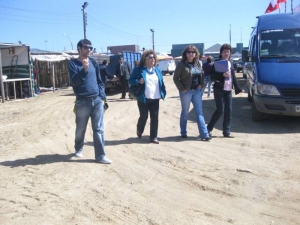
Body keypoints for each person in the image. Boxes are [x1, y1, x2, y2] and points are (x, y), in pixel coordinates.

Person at [68, 39, 112, 164]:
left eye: (90, 47)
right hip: (82, 101)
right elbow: (75, 82)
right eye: (86, 47)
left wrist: (102, 96)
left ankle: (100, 156)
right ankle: (79, 148)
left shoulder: (93, 62)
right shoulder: (73, 64)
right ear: (79, 48)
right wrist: (84, 69)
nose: (89, 50)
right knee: (81, 128)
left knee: (98, 129)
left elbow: (99, 80)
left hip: (97, 100)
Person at [173, 45, 211, 141]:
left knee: (199, 112)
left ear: (196, 54)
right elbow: (176, 78)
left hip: (197, 91)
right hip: (186, 92)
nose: (191, 54)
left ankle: (204, 134)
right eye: (189, 52)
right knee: (185, 112)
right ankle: (183, 132)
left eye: (193, 52)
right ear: (185, 54)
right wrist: (182, 88)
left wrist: (201, 84)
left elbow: (202, 74)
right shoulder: (181, 64)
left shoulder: (198, 63)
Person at [207, 43, 245, 138]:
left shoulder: (230, 63)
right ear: (221, 53)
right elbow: (212, 77)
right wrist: (222, 75)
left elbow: (233, 77)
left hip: (228, 89)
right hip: (219, 89)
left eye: (228, 51)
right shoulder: (216, 63)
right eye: (225, 51)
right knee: (220, 110)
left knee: (229, 111)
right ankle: (208, 129)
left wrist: (238, 88)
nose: (226, 53)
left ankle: (226, 132)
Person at [129, 50, 166, 144]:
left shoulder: (157, 70)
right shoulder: (139, 69)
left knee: (155, 117)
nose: (153, 59)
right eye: (150, 57)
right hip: (143, 98)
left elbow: (161, 82)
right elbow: (130, 80)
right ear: (145, 59)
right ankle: (139, 130)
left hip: (155, 98)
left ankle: (153, 137)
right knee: (144, 116)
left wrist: (163, 92)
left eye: (154, 57)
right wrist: (138, 81)